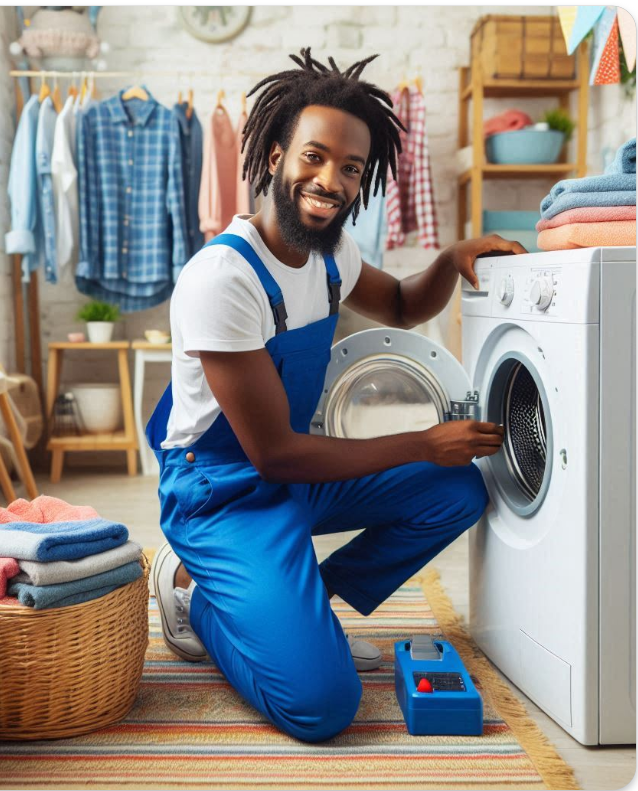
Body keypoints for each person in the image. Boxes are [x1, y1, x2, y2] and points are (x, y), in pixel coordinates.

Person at [146, 48, 522, 743]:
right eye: (314, 157)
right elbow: (276, 454)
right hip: (224, 494)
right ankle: (200, 602)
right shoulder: (222, 280)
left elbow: (407, 305)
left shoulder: (330, 254)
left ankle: (303, 606)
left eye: (351, 168)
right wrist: (419, 440)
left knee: (458, 489)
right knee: (320, 708)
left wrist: (448, 258)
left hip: (292, 476)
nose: (331, 181)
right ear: (272, 155)